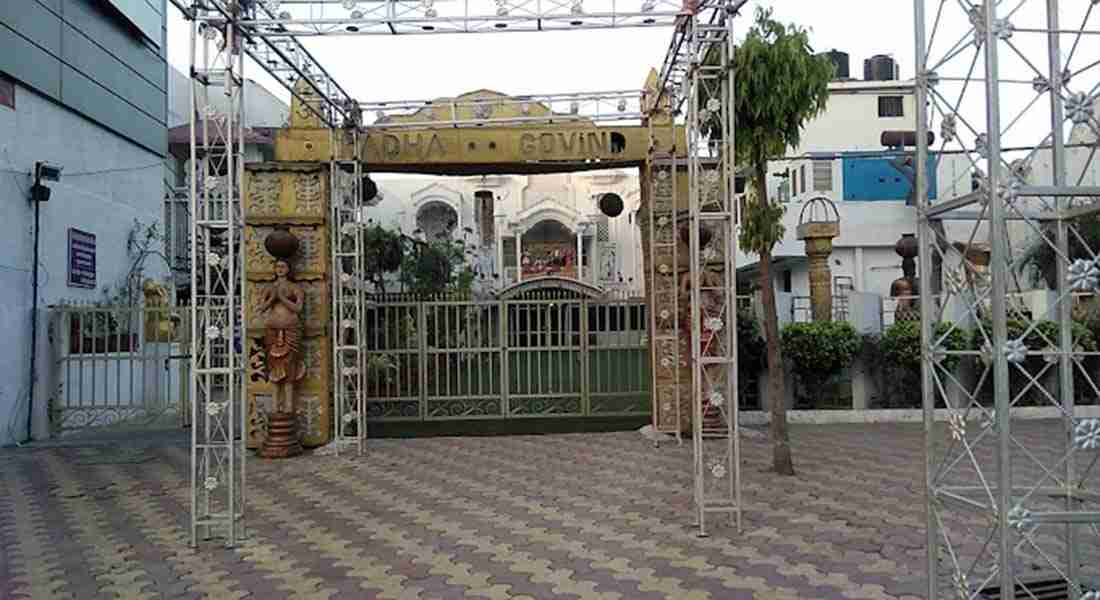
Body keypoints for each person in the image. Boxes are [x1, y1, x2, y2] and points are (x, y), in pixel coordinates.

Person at [262, 260, 306, 413]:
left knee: (289, 367)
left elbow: (298, 308)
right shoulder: (270, 287)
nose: (280, 269)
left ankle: (288, 407)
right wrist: (272, 298)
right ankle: (274, 407)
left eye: (283, 266)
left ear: (288, 269)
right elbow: (261, 308)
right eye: (277, 267)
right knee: (274, 366)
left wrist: (283, 298)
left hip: (291, 329)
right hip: (272, 329)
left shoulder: (295, 287)